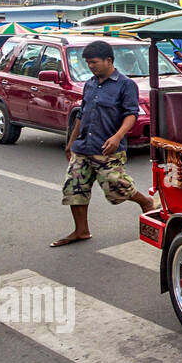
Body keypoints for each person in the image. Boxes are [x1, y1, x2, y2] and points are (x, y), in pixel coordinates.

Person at [53, 40, 156, 247]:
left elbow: (131, 115)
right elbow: (81, 116)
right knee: (74, 188)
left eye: (94, 62)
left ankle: (145, 202)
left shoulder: (126, 85)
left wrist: (117, 136)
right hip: (83, 147)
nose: (90, 66)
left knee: (116, 187)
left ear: (109, 60)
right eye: (88, 63)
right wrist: (71, 142)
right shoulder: (89, 84)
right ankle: (81, 231)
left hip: (107, 147)